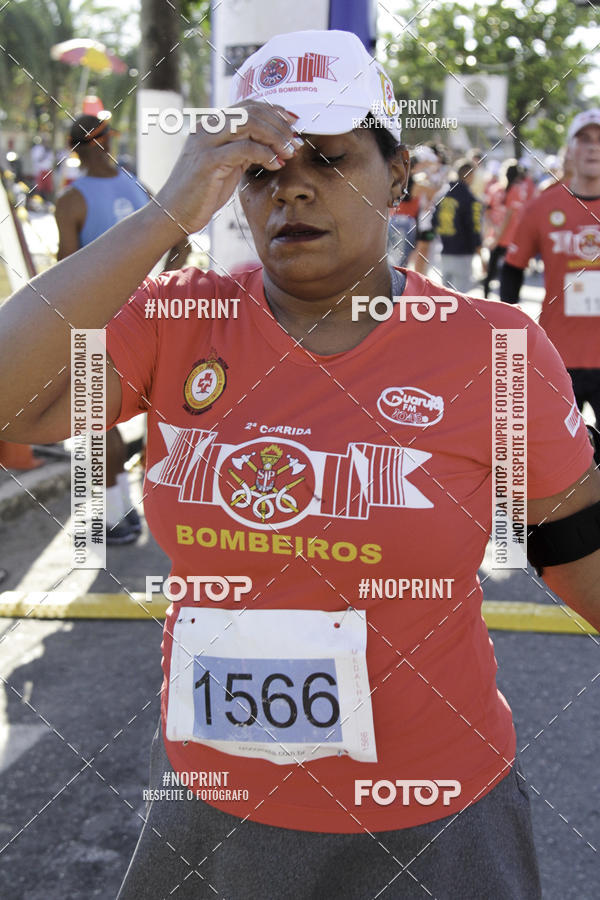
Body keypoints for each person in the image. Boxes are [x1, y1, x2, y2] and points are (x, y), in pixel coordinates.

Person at [1, 29, 599, 899]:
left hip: (434, 814)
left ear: (398, 179)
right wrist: (167, 213)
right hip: (215, 808)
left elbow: (580, 549)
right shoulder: (177, 321)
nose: (294, 188)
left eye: (329, 156)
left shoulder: (495, 349)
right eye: (260, 168)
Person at [55, 112, 186, 543]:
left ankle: (116, 517)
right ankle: (148, 513)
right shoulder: (138, 187)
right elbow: (180, 239)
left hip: (99, 316)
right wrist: (156, 286)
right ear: (108, 140)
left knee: (100, 422)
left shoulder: (72, 201)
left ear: (74, 150)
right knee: (158, 411)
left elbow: (67, 272)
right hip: (151, 314)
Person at [501, 108, 600, 425]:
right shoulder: (542, 206)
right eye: (584, 139)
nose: (593, 147)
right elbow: (512, 271)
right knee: (559, 463)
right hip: (558, 358)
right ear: (570, 149)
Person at [432, 158, 482, 294]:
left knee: (445, 298)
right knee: (459, 299)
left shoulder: (442, 194)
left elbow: (434, 221)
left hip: (445, 250)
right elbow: (474, 227)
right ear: (469, 175)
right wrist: (480, 253)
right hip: (463, 253)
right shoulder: (469, 198)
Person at [482, 160, 526, 298]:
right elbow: (509, 216)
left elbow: (487, 212)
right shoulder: (517, 191)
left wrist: (493, 232)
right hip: (510, 237)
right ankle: (507, 301)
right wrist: (497, 235)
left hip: (496, 235)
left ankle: (486, 297)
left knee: (492, 269)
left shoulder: (494, 189)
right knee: (509, 272)